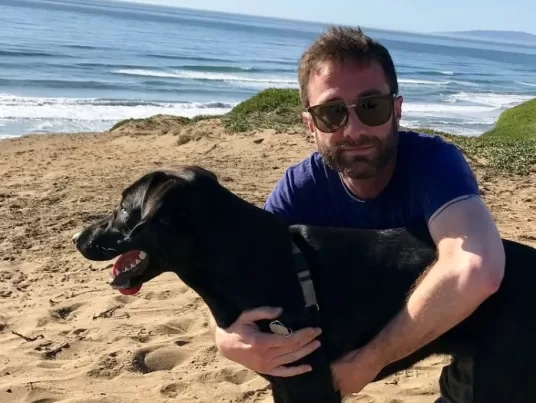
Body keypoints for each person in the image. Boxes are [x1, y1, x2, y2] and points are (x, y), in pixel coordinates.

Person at [210, 26, 506, 402]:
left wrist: (371, 359)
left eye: (372, 107)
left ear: (396, 110)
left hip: (475, 329)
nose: (353, 129)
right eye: (331, 114)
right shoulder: (301, 187)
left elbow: (477, 269)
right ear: (310, 124)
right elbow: (239, 272)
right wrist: (225, 337)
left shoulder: (434, 165)